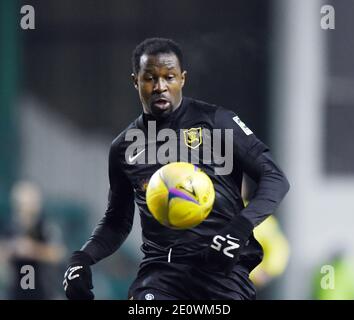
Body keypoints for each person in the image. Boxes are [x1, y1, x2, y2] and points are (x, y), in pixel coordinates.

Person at [63, 37, 290, 300]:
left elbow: (275, 178)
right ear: (135, 81)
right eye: (150, 78)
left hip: (223, 270)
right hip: (160, 274)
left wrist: (238, 230)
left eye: (169, 77)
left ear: (182, 79)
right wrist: (82, 258)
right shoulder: (124, 147)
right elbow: (117, 222)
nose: (160, 87)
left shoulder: (218, 122)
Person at [0, 181, 66, 299]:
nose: (26, 208)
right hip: (16, 292)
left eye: (30, 203)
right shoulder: (10, 227)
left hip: (44, 291)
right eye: (22, 204)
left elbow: (59, 253)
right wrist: (11, 249)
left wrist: (33, 250)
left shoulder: (46, 226)